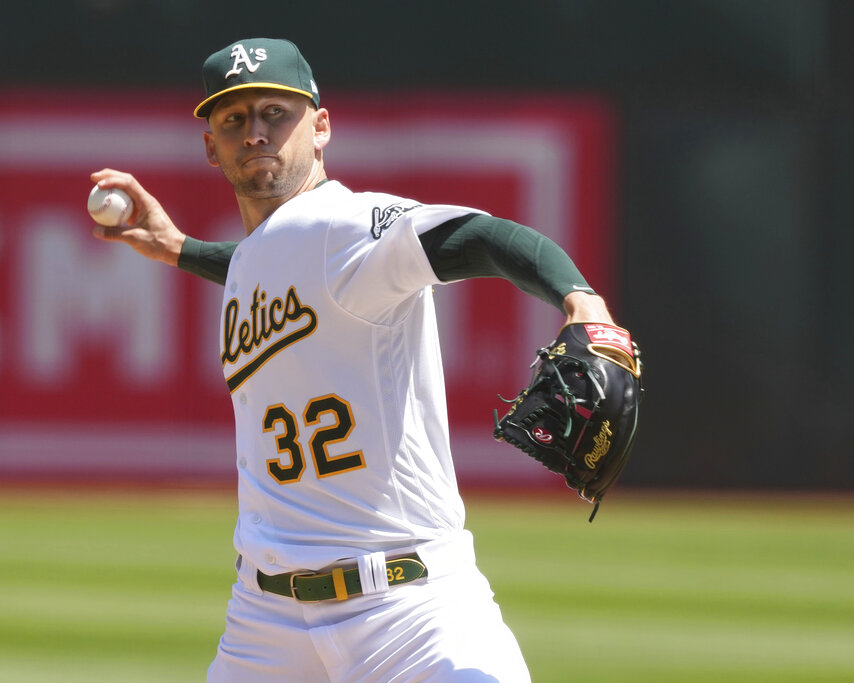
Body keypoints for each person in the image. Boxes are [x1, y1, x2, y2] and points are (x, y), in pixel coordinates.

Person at [91, 37, 621, 683]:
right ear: (211, 147)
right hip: (265, 624)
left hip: (407, 610)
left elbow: (484, 237)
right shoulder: (264, 256)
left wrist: (581, 300)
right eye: (234, 120)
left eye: (275, 113)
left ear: (320, 128)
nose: (256, 132)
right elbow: (264, 264)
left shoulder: (350, 224)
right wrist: (180, 248)